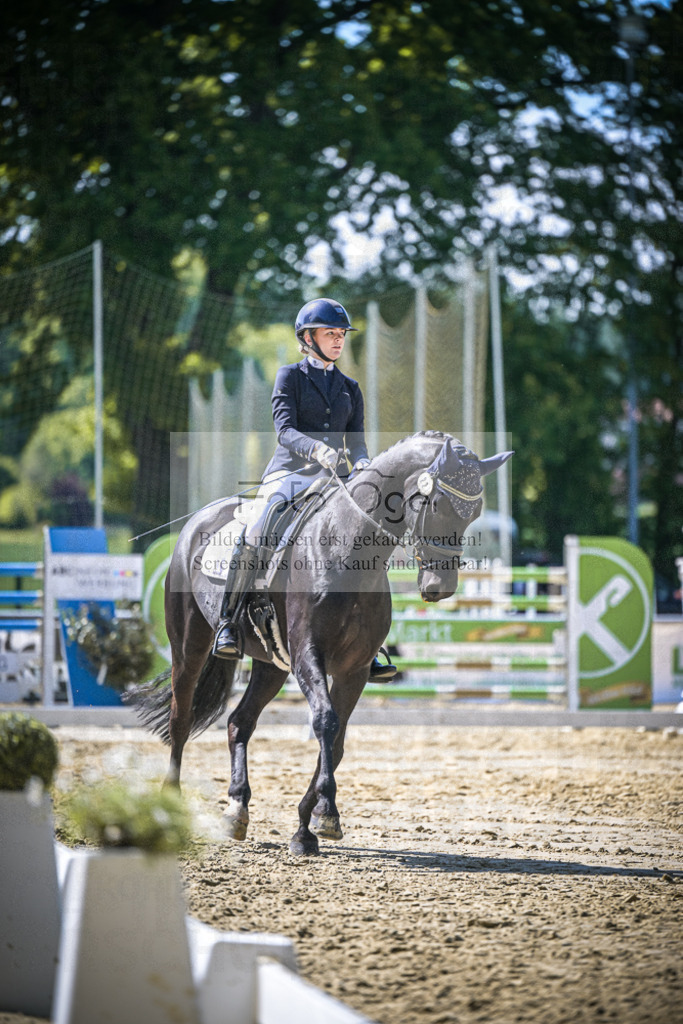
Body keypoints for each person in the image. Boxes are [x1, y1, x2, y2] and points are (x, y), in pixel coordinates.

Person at [212, 297, 396, 681]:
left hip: (335, 480)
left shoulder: (349, 388)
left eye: (341, 334)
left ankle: (371, 641)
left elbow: (356, 442)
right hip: (291, 473)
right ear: (308, 338)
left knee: (366, 537)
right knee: (257, 525)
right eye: (331, 333)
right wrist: (314, 448)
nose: (339, 340)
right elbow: (284, 430)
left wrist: (364, 464)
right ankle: (228, 620)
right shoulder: (289, 377)